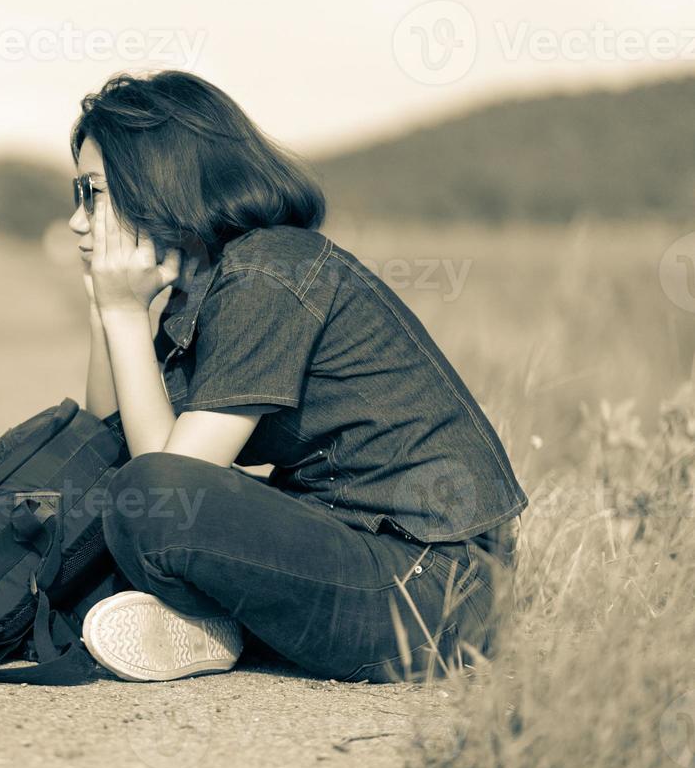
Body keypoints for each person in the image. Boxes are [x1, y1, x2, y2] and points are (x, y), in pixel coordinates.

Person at [68, 70, 526, 684]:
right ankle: (207, 622)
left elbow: (168, 489)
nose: (78, 220)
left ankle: (209, 623)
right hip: (357, 550)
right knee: (104, 489)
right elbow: (114, 433)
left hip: (433, 592)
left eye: (91, 192)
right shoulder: (201, 286)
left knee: (142, 500)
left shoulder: (268, 272)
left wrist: (124, 312)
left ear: (158, 179)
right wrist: (109, 308)